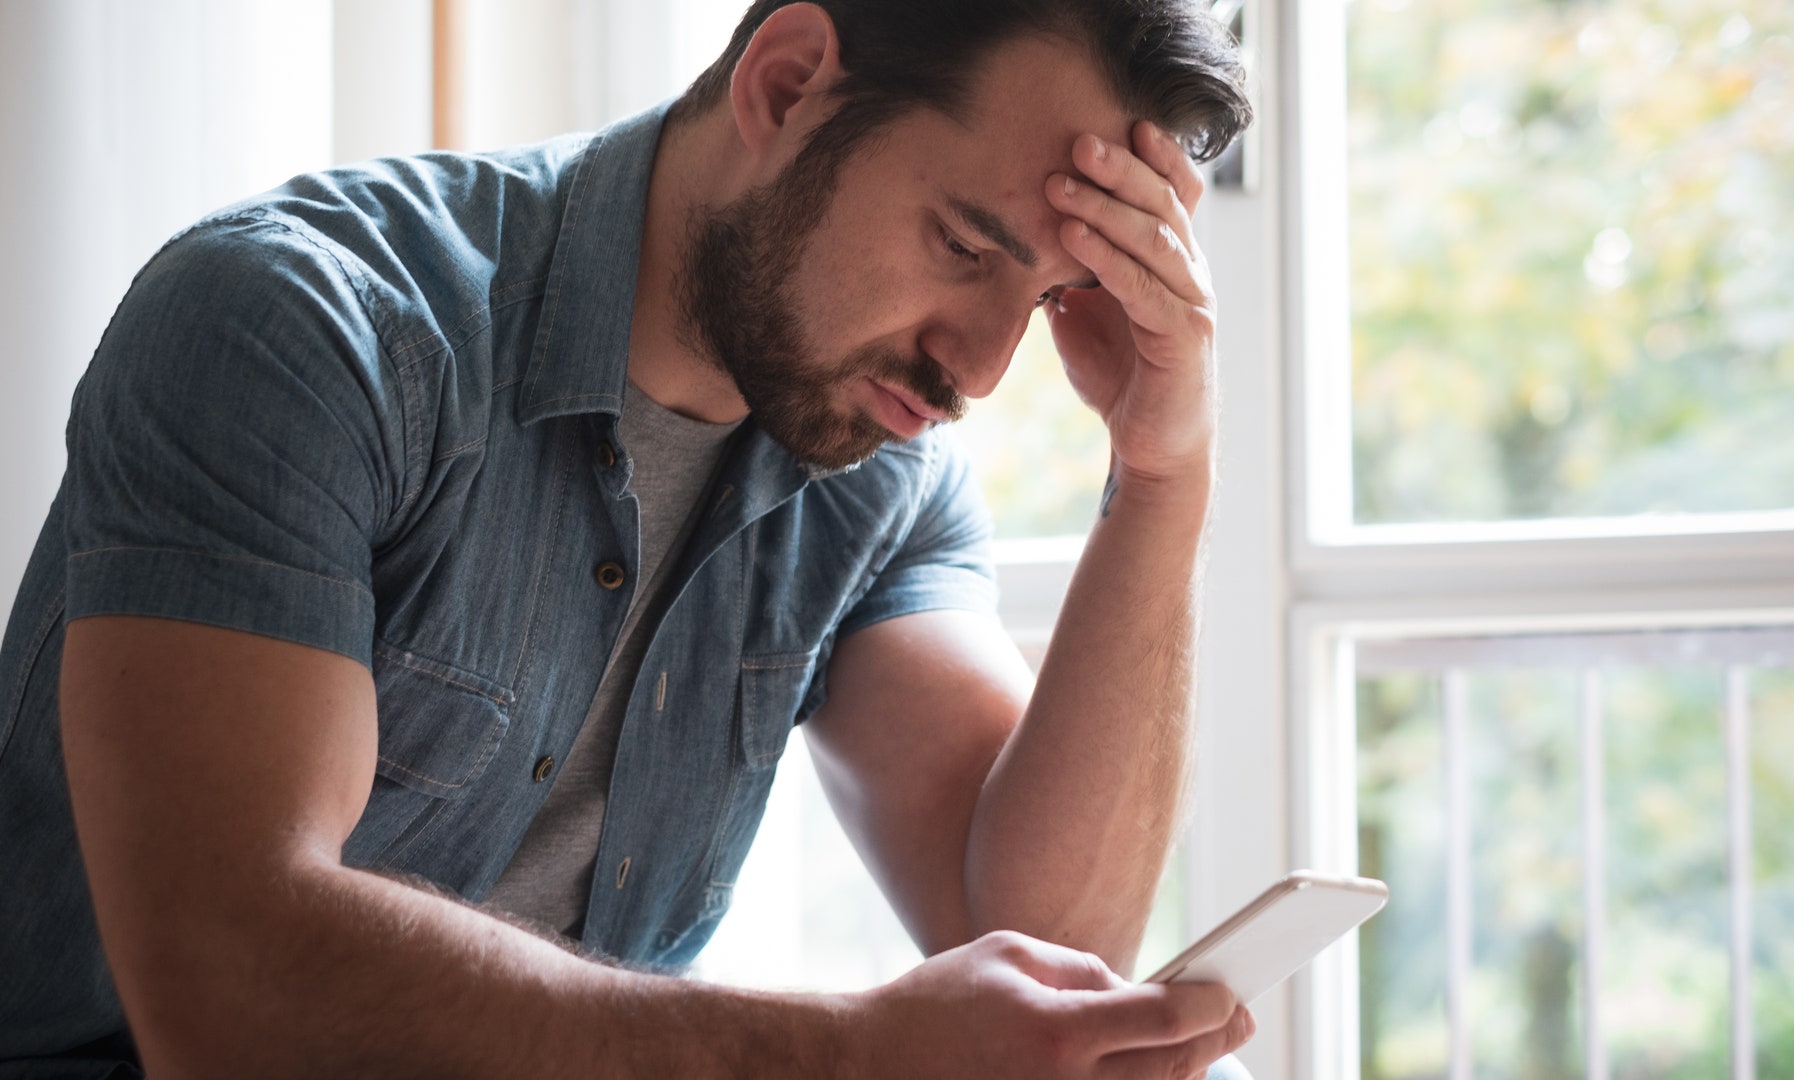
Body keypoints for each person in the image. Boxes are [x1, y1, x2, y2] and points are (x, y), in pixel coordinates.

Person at [0, 0, 1255, 1075]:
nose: (980, 368)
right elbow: (226, 997)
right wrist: (849, 1056)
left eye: (1044, 297)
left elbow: (1048, 942)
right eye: (964, 246)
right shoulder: (308, 331)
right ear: (787, 83)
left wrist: (1161, 470)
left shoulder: (876, 468)